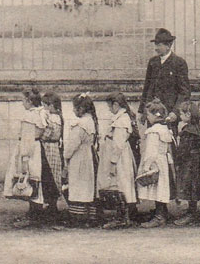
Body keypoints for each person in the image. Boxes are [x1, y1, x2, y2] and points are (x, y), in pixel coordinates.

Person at [3, 88, 49, 228]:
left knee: (30, 176)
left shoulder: (30, 116)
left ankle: (35, 213)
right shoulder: (40, 114)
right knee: (34, 177)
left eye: (23, 100)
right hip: (36, 148)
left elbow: (28, 138)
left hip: (29, 149)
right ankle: (34, 210)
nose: (22, 103)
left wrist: (24, 157)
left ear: (29, 101)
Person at [97, 92, 139, 230]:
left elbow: (118, 144)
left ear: (116, 104)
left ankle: (122, 217)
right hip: (114, 155)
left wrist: (113, 163)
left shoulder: (122, 121)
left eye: (110, 106)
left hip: (118, 158)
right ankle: (121, 215)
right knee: (116, 183)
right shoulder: (119, 117)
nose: (109, 109)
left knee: (118, 183)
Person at [140, 28, 191, 132]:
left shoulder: (179, 63)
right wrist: (142, 110)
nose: (156, 48)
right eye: (155, 45)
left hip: (169, 113)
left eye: (159, 45)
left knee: (168, 142)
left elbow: (184, 92)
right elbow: (147, 87)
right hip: (152, 113)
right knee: (153, 138)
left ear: (168, 46)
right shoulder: (153, 62)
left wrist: (175, 112)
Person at [137, 99, 175, 228]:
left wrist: (146, 166)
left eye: (148, 115)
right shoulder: (165, 129)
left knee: (157, 188)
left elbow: (151, 152)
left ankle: (160, 216)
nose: (147, 117)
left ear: (154, 115)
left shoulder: (153, 131)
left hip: (155, 162)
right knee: (162, 187)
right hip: (163, 161)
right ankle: (162, 212)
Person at [64, 92, 99, 227]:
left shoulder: (80, 124)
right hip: (89, 156)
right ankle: (90, 215)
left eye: (74, 108)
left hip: (79, 157)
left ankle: (78, 217)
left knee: (78, 184)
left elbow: (72, 145)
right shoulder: (91, 122)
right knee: (88, 185)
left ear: (81, 109)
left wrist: (66, 156)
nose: (73, 110)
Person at [173, 100, 200, 226]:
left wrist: (178, 159)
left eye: (181, 113)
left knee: (190, 185)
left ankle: (192, 213)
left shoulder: (188, 131)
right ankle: (192, 210)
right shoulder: (197, 128)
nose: (180, 116)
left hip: (189, 162)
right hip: (196, 160)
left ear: (188, 115)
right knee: (194, 186)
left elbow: (183, 149)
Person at [39, 91, 65, 226]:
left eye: (45, 105)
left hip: (49, 148)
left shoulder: (53, 119)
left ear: (50, 106)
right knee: (53, 175)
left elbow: (47, 134)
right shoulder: (58, 117)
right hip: (53, 148)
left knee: (50, 175)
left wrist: (40, 136)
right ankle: (51, 205)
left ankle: (52, 207)